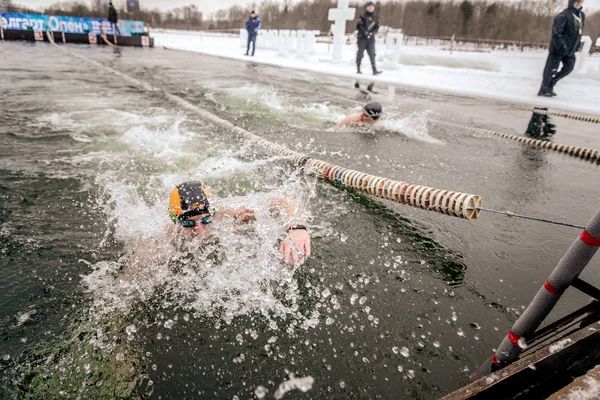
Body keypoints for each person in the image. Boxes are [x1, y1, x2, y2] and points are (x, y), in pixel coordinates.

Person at [169, 181, 311, 265]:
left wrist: (296, 227)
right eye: (188, 224)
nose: (200, 231)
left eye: (206, 220)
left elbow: (288, 198)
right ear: (175, 223)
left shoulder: (225, 212)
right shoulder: (165, 240)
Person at [538, 0, 585, 97]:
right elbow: (556, 33)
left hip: (571, 49)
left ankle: (552, 82)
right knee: (551, 69)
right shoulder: (563, 15)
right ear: (571, 2)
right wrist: (562, 46)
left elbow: (579, 32)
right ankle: (544, 89)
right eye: (576, 1)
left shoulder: (581, 15)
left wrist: (577, 45)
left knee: (569, 67)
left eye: (580, 1)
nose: (578, 3)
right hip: (558, 49)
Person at [356, 2, 382, 75]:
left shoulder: (375, 17)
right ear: (366, 7)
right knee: (360, 53)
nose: (370, 8)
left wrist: (372, 33)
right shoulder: (362, 16)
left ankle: (374, 70)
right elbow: (359, 26)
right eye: (369, 6)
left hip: (371, 39)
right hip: (362, 38)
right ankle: (358, 69)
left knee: (372, 54)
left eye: (372, 6)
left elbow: (377, 27)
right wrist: (365, 32)